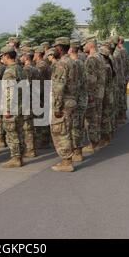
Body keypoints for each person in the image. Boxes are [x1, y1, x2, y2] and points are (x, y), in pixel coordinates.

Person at [50, 37, 78, 172]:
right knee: (67, 130)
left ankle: (67, 161)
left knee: (61, 132)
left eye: (55, 47)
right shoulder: (72, 62)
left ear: (60, 48)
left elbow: (58, 88)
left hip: (64, 102)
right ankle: (68, 159)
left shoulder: (61, 64)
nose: (54, 49)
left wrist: (57, 107)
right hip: (72, 100)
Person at [0, 45, 25, 168]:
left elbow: (9, 92)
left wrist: (7, 108)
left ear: (7, 56)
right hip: (20, 106)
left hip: (13, 107)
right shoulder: (19, 68)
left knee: (12, 133)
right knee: (19, 132)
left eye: (2, 56)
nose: (1, 59)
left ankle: (16, 158)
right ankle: (19, 156)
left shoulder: (9, 71)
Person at [82, 36, 105, 154]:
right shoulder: (100, 57)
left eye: (85, 44)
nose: (83, 47)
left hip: (93, 93)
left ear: (90, 45)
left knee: (91, 119)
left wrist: (87, 93)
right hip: (100, 92)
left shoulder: (91, 59)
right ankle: (97, 141)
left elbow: (90, 80)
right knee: (97, 118)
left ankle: (93, 144)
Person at [69, 39, 88, 162]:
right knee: (79, 125)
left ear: (70, 49)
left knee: (75, 126)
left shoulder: (73, 64)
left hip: (74, 98)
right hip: (82, 97)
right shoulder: (82, 62)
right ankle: (78, 150)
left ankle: (77, 152)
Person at [21, 50, 40, 158]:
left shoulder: (27, 69)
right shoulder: (35, 68)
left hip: (28, 99)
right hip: (36, 98)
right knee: (33, 125)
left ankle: (30, 150)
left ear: (26, 57)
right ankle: (34, 146)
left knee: (27, 126)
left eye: (22, 56)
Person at [33, 46, 52, 149]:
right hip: (43, 91)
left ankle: (45, 140)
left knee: (42, 116)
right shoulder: (42, 63)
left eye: (35, 53)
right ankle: (45, 139)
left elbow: (38, 78)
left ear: (38, 54)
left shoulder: (41, 65)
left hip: (42, 92)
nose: (34, 55)